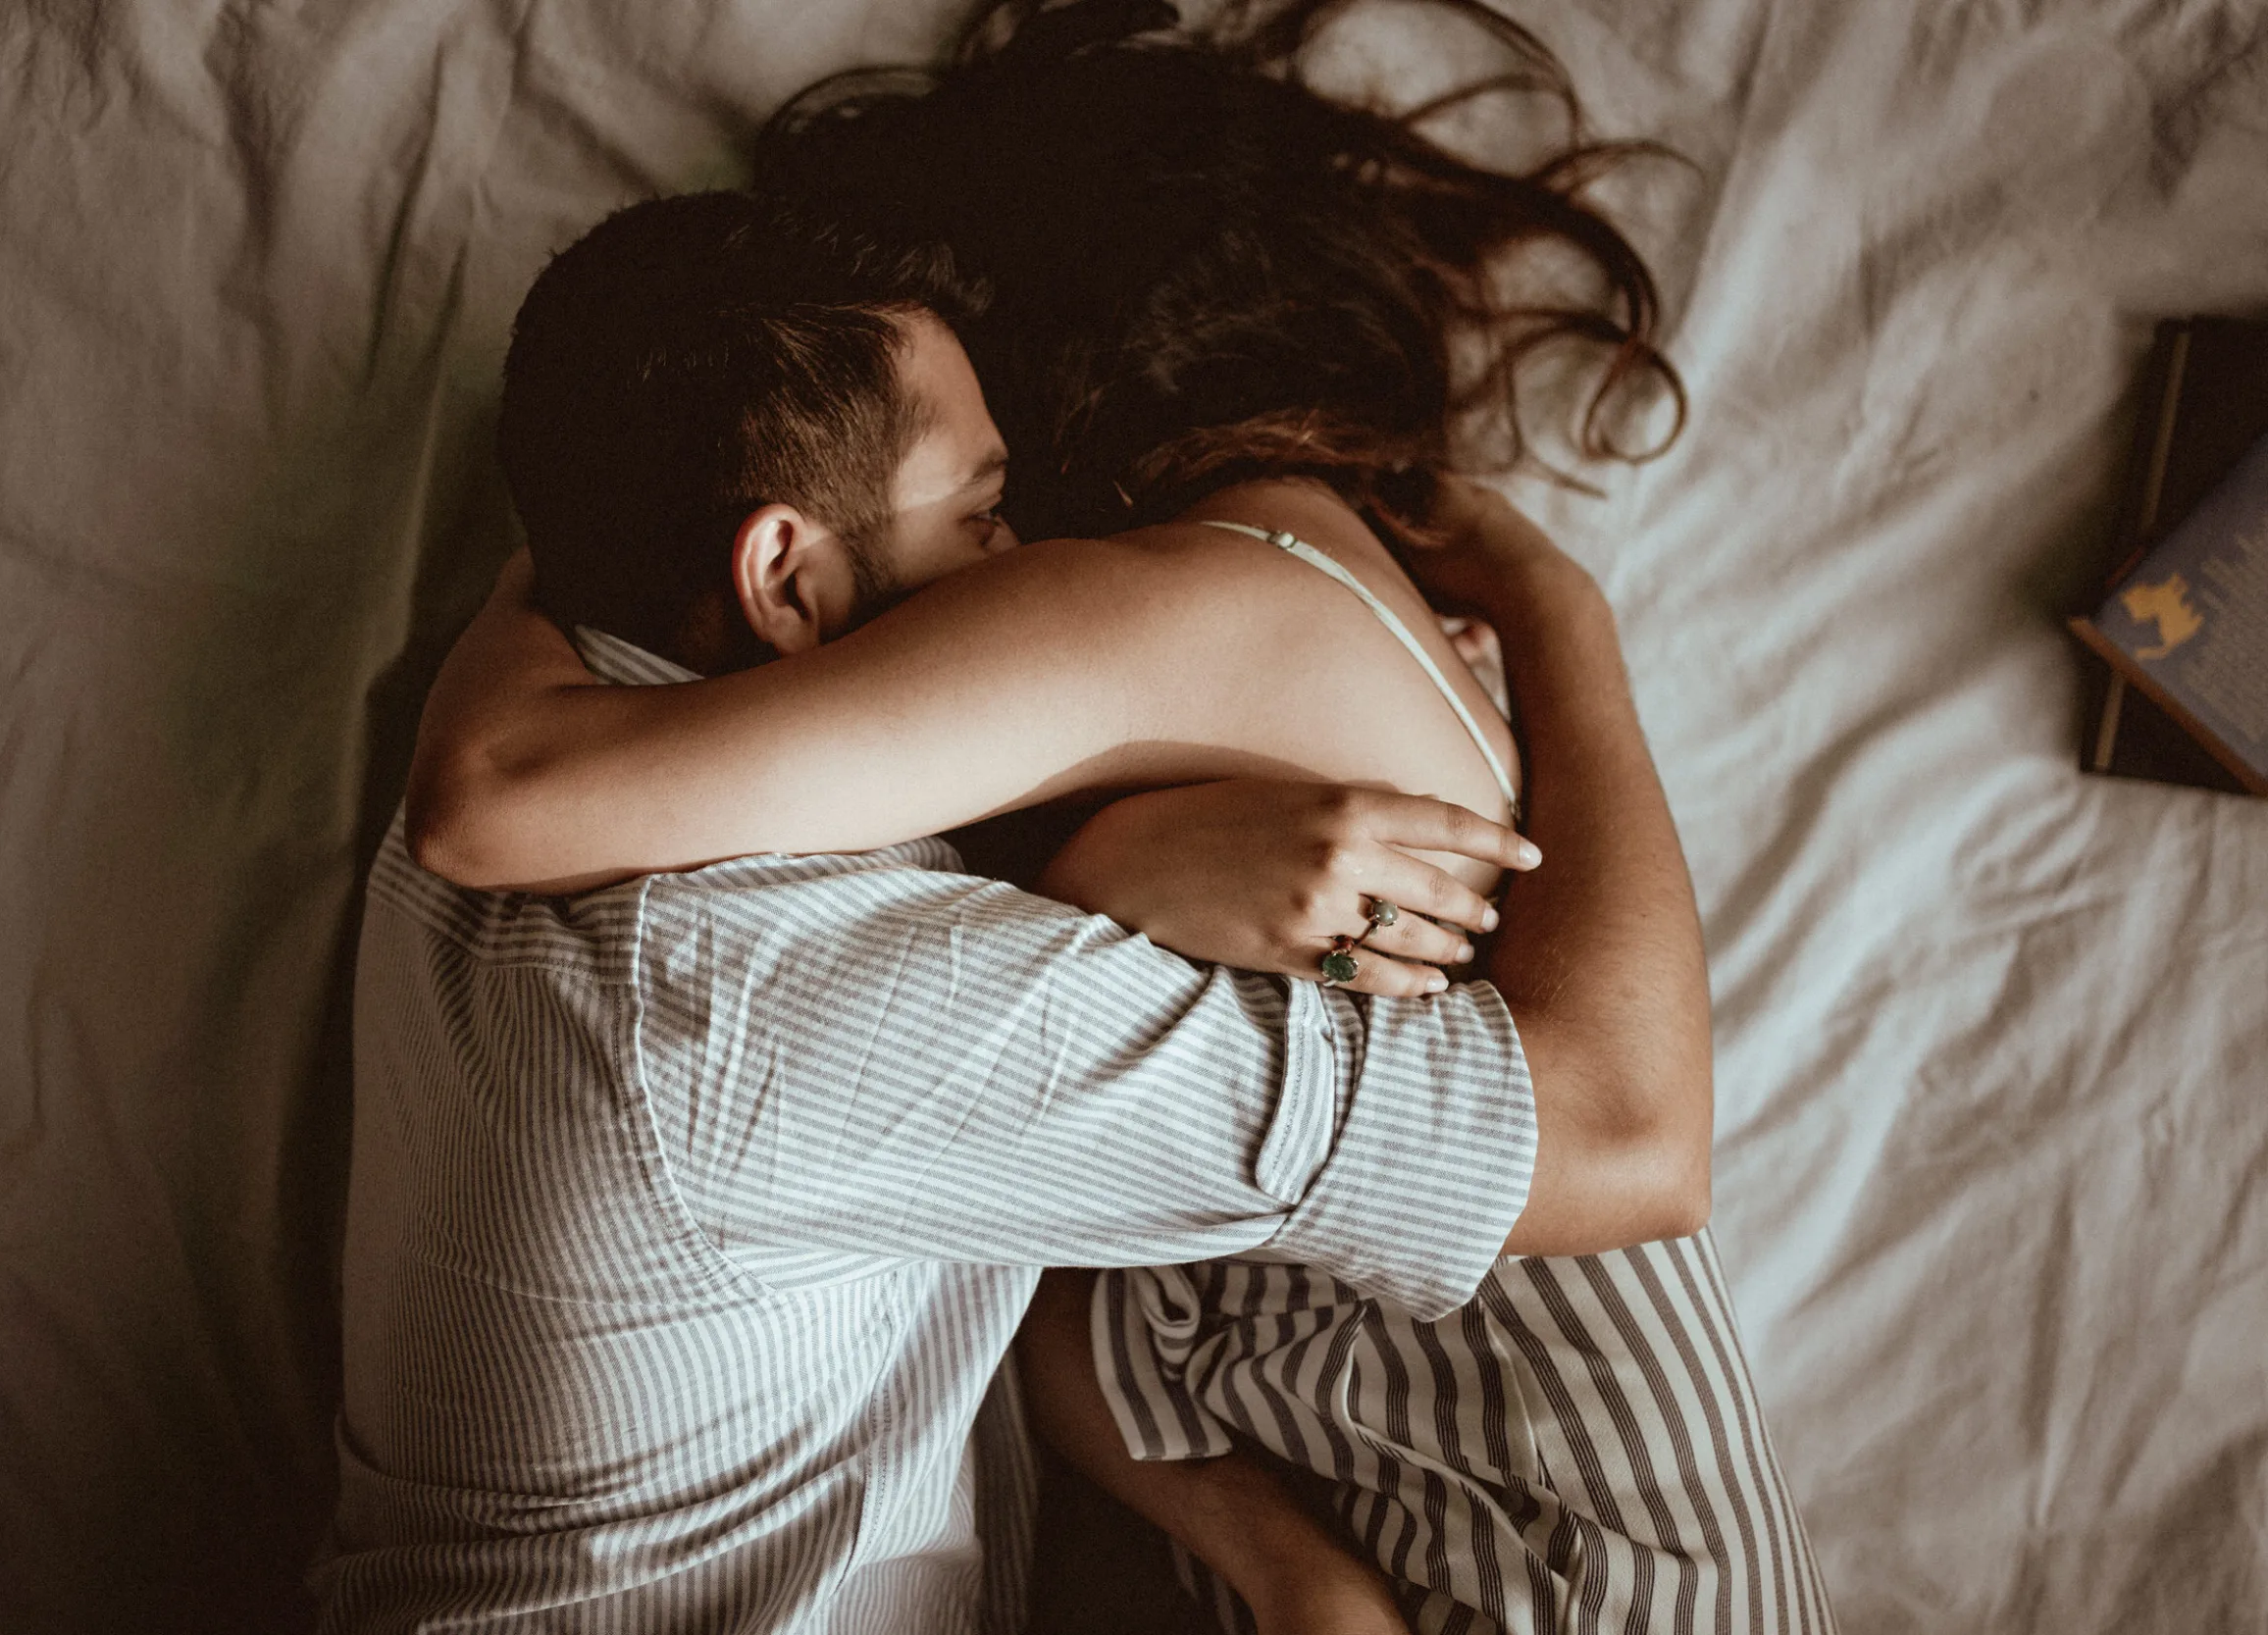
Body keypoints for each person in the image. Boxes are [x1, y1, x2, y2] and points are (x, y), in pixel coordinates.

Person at [377, 4, 1838, 1632]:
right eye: (986, 510)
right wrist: (1555, 617)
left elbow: (1615, 1139)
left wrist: (1090, 881)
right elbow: (1602, 1142)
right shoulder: (753, 931)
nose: (1018, 562)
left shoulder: (588, 694)